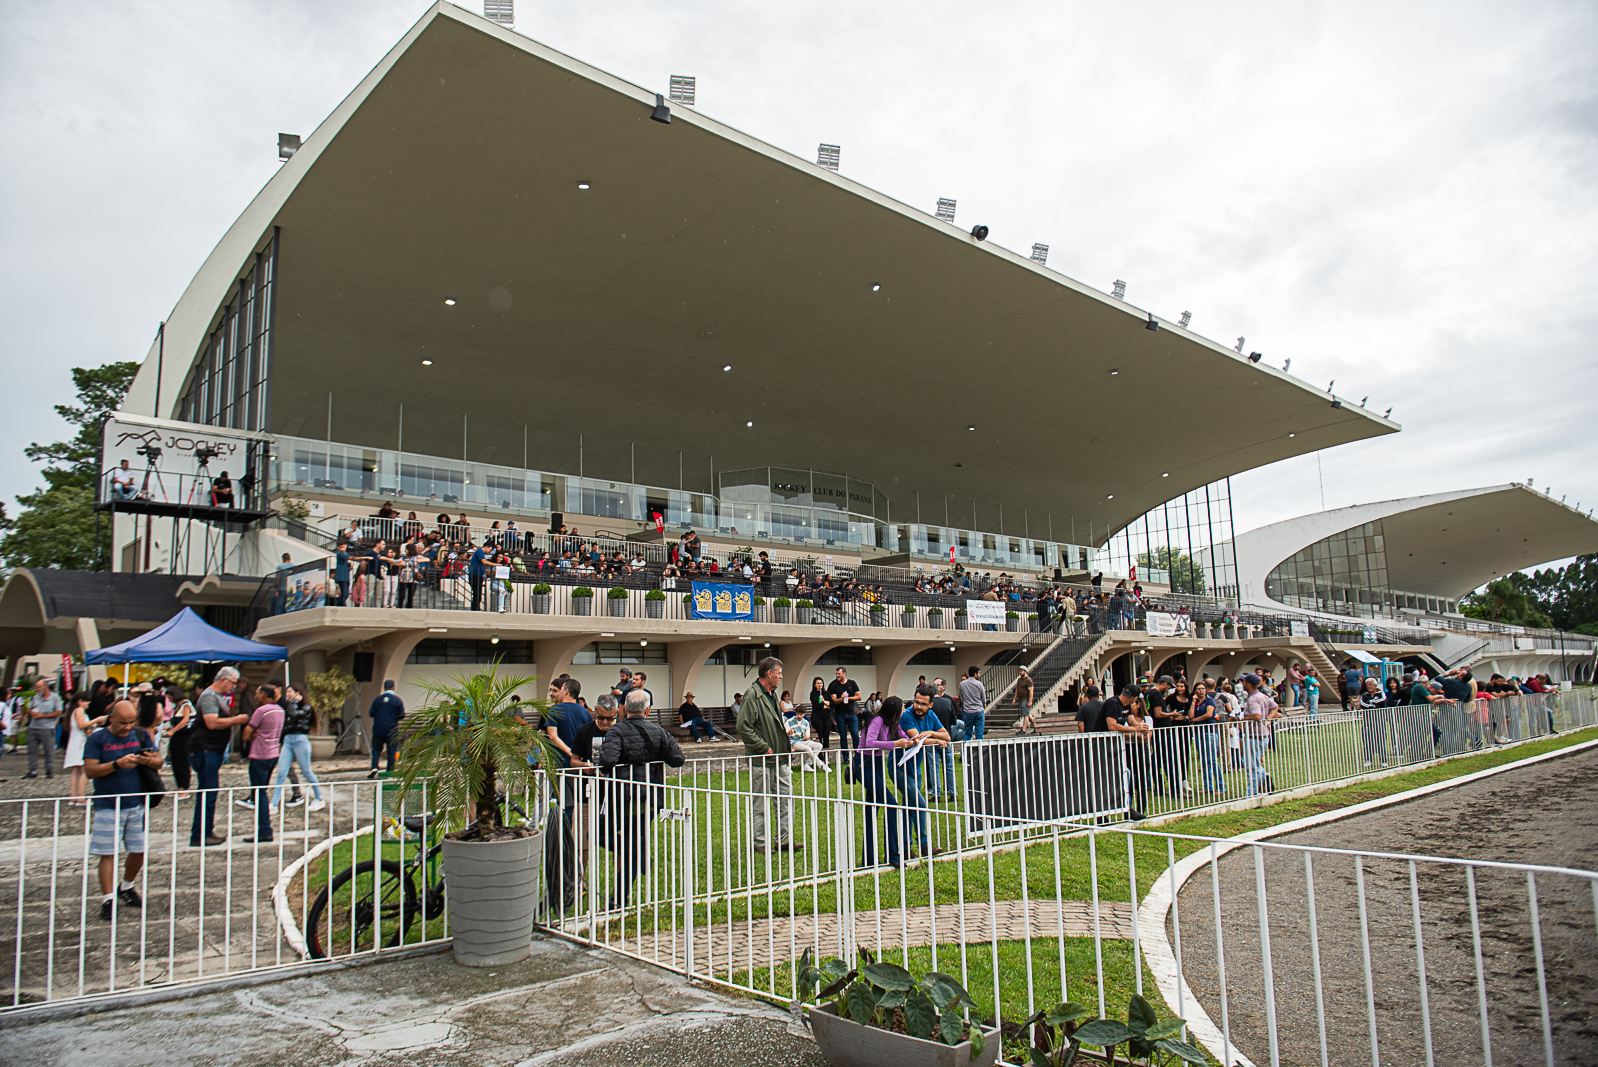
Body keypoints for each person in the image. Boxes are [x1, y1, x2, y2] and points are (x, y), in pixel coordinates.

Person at [594, 689, 684, 905]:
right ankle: (637, 861)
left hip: (624, 796)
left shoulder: (617, 731)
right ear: (648, 709)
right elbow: (677, 759)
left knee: (601, 834)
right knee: (633, 842)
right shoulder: (658, 731)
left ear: (624, 708)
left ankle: (620, 897)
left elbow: (607, 761)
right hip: (650, 797)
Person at [82, 700, 164, 922]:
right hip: (108, 803)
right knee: (107, 852)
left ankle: (126, 886)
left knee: (138, 850)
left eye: (130, 722)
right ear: (111, 718)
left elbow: (159, 762)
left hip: (136, 802)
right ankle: (107, 898)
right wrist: (116, 764)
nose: (127, 727)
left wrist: (147, 760)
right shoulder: (97, 739)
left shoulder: (140, 735)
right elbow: (90, 771)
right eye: (122, 723)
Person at [736, 657, 796, 855]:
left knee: (785, 800)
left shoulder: (771, 694)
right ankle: (760, 842)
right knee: (760, 802)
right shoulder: (752, 695)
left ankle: (784, 840)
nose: (780, 677)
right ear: (768, 674)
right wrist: (763, 747)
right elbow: (744, 726)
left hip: (779, 757)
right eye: (778, 673)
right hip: (762, 758)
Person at [899, 685, 950, 844]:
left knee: (910, 805)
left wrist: (932, 732)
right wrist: (935, 740)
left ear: (930, 705)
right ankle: (924, 843)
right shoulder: (907, 716)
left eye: (923, 704)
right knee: (919, 804)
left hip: (916, 767)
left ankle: (907, 845)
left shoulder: (932, 715)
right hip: (901, 767)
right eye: (916, 702)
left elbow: (947, 735)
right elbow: (916, 740)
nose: (918, 707)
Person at [271, 684, 326, 813]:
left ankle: (319, 797)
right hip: (288, 740)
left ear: (298, 693)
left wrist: (294, 701)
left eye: (290, 692)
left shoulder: (306, 707)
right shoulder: (290, 706)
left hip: (300, 740)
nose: (287, 695)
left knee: (306, 772)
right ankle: (274, 803)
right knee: (281, 773)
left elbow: (294, 714)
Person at [240, 684, 284, 843]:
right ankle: (264, 829)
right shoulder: (280, 710)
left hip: (260, 754)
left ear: (264, 694)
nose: (255, 696)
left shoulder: (261, 711)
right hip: (273, 753)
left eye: (257, 693)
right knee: (262, 792)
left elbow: (246, 734)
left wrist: (253, 734)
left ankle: (265, 830)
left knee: (259, 794)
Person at [1239, 674, 1279, 797]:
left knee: (1252, 766)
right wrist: (1268, 719)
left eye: (1244, 682)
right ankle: (1264, 776)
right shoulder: (1262, 696)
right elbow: (1275, 707)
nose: (1242, 684)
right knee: (1253, 763)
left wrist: (1243, 719)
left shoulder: (1253, 699)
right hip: (1262, 735)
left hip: (1254, 736)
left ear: (1249, 685)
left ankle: (1252, 793)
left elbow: (1256, 716)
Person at [541, 677, 593, 769]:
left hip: (560, 763)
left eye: (560, 690)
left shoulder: (555, 710)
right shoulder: (585, 712)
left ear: (566, 691)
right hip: (579, 764)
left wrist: (571, 753)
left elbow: (552, 736)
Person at [64, 691, 98, 804]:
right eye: (87, 700)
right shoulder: (80, 710)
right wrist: (96, 720)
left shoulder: (73, 711)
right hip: (80, 743)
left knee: (76, 771)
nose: (88, 702)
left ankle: (74, 797)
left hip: (75, 742)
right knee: (85, 770)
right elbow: (81, 725)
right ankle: (81, 797)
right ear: (80, 702)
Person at [25, 678, 63, 779]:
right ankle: (32, 771)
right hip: (33, 727)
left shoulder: (55, 698)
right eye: (36, 687)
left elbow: (59, 712)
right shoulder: (35, 697)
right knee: (32, 750)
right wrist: (31, 712)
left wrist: (43, 715)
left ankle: (49, 770)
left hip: (47, 728)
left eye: (38, 687)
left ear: (45, 687)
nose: (37, 689)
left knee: (48, 750)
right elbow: (29, 708)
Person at [367, 680, 405, 778]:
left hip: (378, 729)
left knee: (376, 749)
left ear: (384, 688)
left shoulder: (377, 700)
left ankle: (374, 767)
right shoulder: (397, 700)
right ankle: (390, 770)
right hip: (392, 730)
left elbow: (371, 713)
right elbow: (401, 715)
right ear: (393, 687)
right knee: (391, 751)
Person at [783, 702, 830, 772]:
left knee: (819, 746)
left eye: (801, 714)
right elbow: (785, 733)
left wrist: (807, 737)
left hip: (803, 741)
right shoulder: (789, 721)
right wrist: (789, 733)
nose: (799, 716)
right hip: (793, 742)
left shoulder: (806, 722)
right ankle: (821, 764)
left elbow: (808, 735)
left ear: (804, 714)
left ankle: (807, 764)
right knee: (808, 748)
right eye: (798, 714)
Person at [826, 668, 861, 750]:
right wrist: (841, 698)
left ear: (844, 674)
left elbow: (859, 697)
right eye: (836, 674)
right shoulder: (834, 685)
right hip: (840, 714)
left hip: (851, 713)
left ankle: (857, 755)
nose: (837, 675)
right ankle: (845, 757)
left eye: (839, 674)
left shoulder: (852, 683)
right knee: (843, 736)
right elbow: (833, 701)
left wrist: (848, 698)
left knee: (855, 735)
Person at [958, 665, 987, 741]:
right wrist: (983, 704)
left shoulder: (962, 684)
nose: (979, 675)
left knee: (967, 732)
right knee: (979, 734)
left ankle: (967, 750)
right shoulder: (979, 684)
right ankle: (979, 751)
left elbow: (961, 697)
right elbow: (983, 698)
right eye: (979, 673)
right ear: (975, 674)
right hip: (978, 710)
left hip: (967, 710)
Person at [808, 677, 833, 750]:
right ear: (814, 685)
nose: (819, 685)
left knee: (826, 735)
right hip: (817, 716)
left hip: (827, 717)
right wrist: (825, 705)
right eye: (818, 683)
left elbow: (831, 703)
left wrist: (824, 702)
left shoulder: (826, 693)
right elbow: (816, 705)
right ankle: (820, 755)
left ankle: (826, 756)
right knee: (820, 735)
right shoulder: (813, 694)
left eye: (821, 683)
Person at [1012, 667, 1037, 735]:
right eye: (1020, 671)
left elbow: (1031, 691)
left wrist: (1030, 701)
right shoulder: (1019, 680)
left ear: (1025, 671)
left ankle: (1024, 730)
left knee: (1025, 715)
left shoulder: (1028, 680)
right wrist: (1014, 698)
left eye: (1021, 671)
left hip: (1025, 699)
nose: (1020, 672)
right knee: (1028, 714)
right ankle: (1037, 727)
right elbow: (1017, 689)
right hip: (1021, 699)